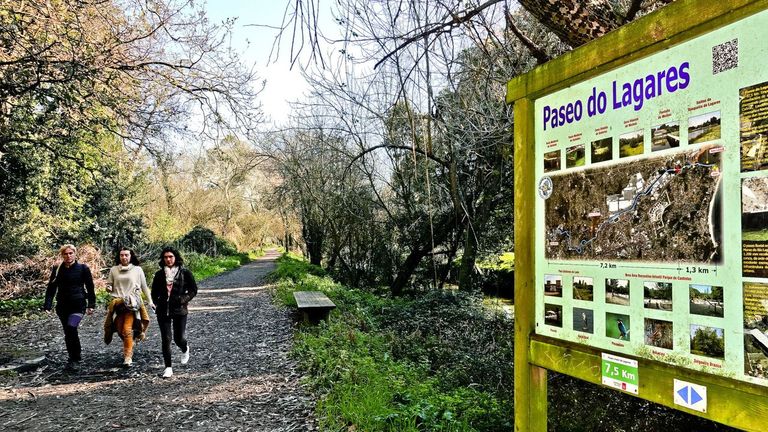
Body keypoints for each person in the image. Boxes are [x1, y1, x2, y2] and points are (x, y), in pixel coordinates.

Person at [43, 244, 96, 370]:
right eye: (66, 254)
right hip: (62, 306)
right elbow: (51, 288)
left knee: (72, 327)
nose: (68, 256)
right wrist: (47, 305)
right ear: (62, 255)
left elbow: (90, 287)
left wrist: (91, 305)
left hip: (78, 305)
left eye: (71, 253)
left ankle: (75, 359)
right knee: (68, 331)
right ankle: (72, 357)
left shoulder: (83, 268)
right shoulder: (57, 269)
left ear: (75, 253)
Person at [151, 247, 198, 378]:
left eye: (170, 257)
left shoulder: (185, 273)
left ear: (175, 257)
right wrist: (156, 302)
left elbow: (193, 290)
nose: (168, 259)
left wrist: (184, 299)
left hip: (179, 309)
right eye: (165, 257)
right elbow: (154, 292)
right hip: (163, 310)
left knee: (179, 338)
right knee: (166, 339)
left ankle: (185, 348)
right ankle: (168, 367)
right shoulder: (159, 275)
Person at [104, 247, 155, 367]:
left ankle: (128, 357)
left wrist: (150, 301)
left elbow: (144, 287)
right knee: (121, 330)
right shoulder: (114, 270)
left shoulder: (137, 270)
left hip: (132, 304)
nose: (124, 257)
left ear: (131, 256)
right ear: (119, 256)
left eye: (126, 255)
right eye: (122, 255)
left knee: (126, 329)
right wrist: (108, 288)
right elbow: (109, 284)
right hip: (118, 304)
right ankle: (131, 343)